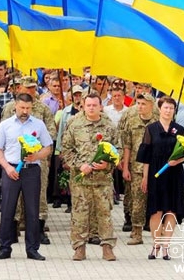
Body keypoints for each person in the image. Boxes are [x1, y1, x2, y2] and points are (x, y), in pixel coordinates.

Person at [0, 93, 53, 261]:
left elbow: (48, 147)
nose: (25, 111)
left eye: (28, 108)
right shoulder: (5, 125)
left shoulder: (39, 125)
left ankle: (32, 248)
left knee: (32, 210)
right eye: (22, 108)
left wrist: (37, 156)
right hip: (11, 169)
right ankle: (5, 247)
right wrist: (7, 167)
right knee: (7, 209)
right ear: (15, 107)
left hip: (32, 171)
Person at [61, 93, 118, 262]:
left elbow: (118, 149)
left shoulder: (109, 126)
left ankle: (107, 247)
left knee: (104, 213)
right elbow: (66, 149)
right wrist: (79, 165)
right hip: (81, 179)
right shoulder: (74, 124)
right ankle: (79, 247)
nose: (91, 108)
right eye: (88, 105)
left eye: (95, 105)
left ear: (101, 107)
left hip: (102, 179)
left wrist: (108, 165)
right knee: (79, 214)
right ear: (83, 106)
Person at [137, 96, 184, 260]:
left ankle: (166, 246)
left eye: (171, 108)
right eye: (165, 107)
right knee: (156, 211)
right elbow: (145, 155)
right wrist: (145, 177)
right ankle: (156, 244)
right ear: (160, 109)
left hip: (174, 174)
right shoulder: (151, 129)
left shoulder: (179, 129)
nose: (168, 111)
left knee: (171, 210)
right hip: (156, 173)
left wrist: (178, 160)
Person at [119, 92, 158, 245]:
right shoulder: (132, 121)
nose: (140, 107)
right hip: (136, 167)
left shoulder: (157, 123)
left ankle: (157, 230)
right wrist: (126, 168)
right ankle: (136, 232)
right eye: (139, 103)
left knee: (155, 200)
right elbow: (127, 146)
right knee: (137, 201)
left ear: (151, 106)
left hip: (155, 168)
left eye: (144, 104)